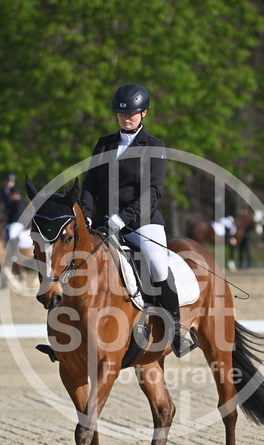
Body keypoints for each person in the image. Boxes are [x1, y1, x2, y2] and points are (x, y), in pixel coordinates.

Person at [80, 83, 194, 357]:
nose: (125, 118)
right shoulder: (104, 144)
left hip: (142, 222)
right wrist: (85, 214)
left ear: (143, 113)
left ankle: (176, 329)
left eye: (130, 113)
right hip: (102, 223)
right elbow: (90, 184)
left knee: (157, 266)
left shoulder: (154, 146)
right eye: (121, 114)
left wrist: (122, 219)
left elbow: (152, 192)